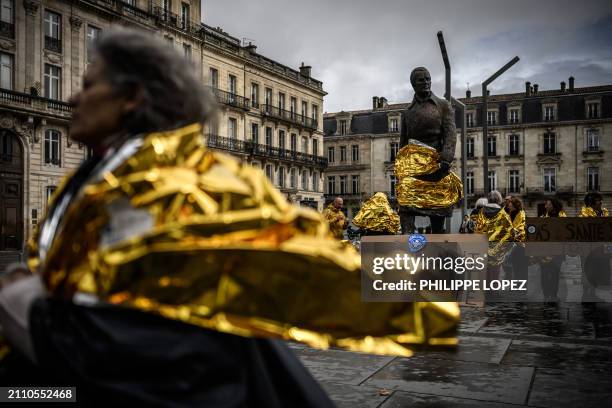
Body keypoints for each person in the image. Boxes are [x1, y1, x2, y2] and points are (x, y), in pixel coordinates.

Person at [0, 28, 461, 406]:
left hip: (155, 382)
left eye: (89, 85)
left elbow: (298, 259)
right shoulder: (93, 174)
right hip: (70, 373)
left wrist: (426, 317)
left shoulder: (191, 179)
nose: (74, 99)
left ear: (131, 98)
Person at [396, 67, 460, 234]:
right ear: (413, 85)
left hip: (436, 166)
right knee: (406, 207)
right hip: (413, 169)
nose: (425, 82)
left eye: (428, 78)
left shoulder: (443, 105)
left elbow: (451, 135)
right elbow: (404, 142)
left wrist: (446, 159)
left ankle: (438, 248)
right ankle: (408, 246)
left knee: (437, 211)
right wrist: (401, 170)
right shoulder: (407, 112)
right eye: (421, 80)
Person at [475, 191, 514, 283]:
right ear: (499, 200)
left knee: (486, 268)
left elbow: (478, 230)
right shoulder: (503, 213)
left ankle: (487, 290)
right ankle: (494, 290)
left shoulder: (481, 212)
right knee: (496, 269)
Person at [539, 198, 566, 302]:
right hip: (544, 251)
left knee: (555, 273)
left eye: (547, 204)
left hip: (558, 251)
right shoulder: (542, 217)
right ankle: (546, 294)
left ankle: (554, 294)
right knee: (544, 273)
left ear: (553, 205)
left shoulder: (562, 217)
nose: (545, 206)